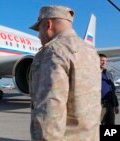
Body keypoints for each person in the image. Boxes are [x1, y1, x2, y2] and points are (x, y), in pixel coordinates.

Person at [29, 5, 101, 140]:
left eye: (39, 29)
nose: (39, 35)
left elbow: (50, 112)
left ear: (48, 24)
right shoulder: (91, 51)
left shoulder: (54, 51)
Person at [99, 53, 119, 125]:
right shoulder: (93, 73)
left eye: (105, 61)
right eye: (101, 60)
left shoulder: (108, 74)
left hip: (110, 105)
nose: (104, 62)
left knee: (111, 125)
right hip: (99, 105)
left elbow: (113, 90)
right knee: (97, 126)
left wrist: (116, 105)